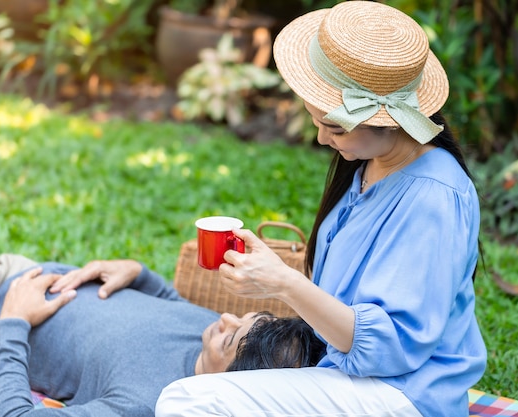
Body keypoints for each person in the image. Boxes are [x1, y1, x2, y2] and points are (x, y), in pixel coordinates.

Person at [154, 2, 487, 417]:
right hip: (349, 377)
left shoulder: (433, 195)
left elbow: (389, 350)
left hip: (403, 395)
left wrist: (284, 284)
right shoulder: (370, 166)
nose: (322, 139)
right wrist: (271, 278)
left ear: (391, 122)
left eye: (333, 127)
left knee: (188, 398)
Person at [0, 196, 325, 417]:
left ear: (227, 388)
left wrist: (12, 322)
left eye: (228, 339)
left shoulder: (146, 403)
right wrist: (139, 275)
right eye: (245, 317)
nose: (224, 318)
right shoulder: (221, 334)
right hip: (18, 275)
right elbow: (171, 307)